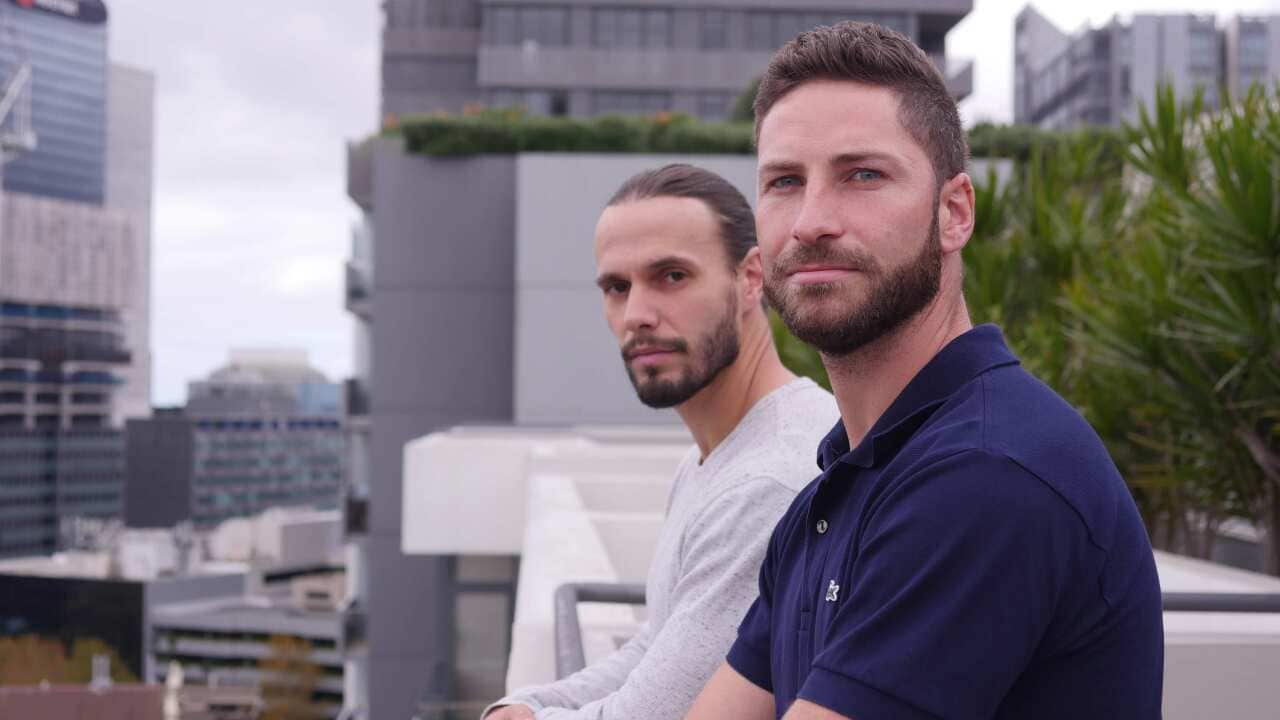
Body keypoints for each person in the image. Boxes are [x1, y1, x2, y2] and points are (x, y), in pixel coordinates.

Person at [687, 22, 1164, 720]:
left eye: (863, 175)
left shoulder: (987, 472)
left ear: (954, 213)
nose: (812, 220)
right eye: (785, 181)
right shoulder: (829, 499)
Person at [483, 164, 837, 720]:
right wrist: (525, 704)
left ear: (750, 279)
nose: (638, 316)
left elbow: (663, 711)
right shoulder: (710, 458)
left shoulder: (770, 479)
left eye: (672, 276)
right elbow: (659, 648)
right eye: (617, 288)